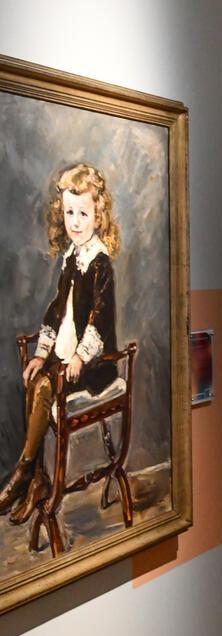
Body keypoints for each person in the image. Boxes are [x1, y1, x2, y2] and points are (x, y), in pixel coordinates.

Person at [0, 163, 121, 525]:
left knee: (42, 389)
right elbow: (57, 310)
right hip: (62, 358)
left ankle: (24, 475)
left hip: (93, 367)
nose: (76, 221)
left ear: (98, 217)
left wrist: (82, 356)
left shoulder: (99, 263)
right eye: (69, 212)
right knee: (34, 380)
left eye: (83, 213)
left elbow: (99, 319)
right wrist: (41, 353)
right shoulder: (71, 257)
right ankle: (36, 480)